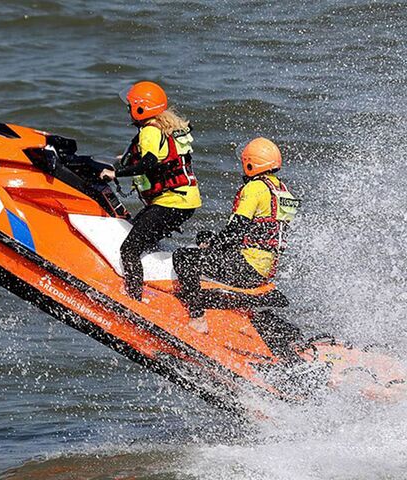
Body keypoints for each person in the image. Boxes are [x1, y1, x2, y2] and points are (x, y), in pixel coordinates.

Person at [172, 137, 299, 334]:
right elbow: (257, 232)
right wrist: (213, 240)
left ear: (250, 164)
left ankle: (197, 317)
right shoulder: (283, 192)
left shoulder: (255, 188)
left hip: (247, 266)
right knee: (207, 241)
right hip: (264, 270)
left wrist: (214, 244)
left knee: (184, 257)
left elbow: (237, 229)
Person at [100, 81, 202, 301]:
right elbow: (163, 156)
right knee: (138, 233)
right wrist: (122, 161)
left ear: (140, 108)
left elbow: (149, 164)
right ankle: (159, 288)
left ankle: (134, 300)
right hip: (185, 201)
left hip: (172, 202)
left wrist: (115, 174)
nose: (128, 110)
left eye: (131, 106)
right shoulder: (168, 126)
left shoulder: (149, 131)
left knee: (130, 249)